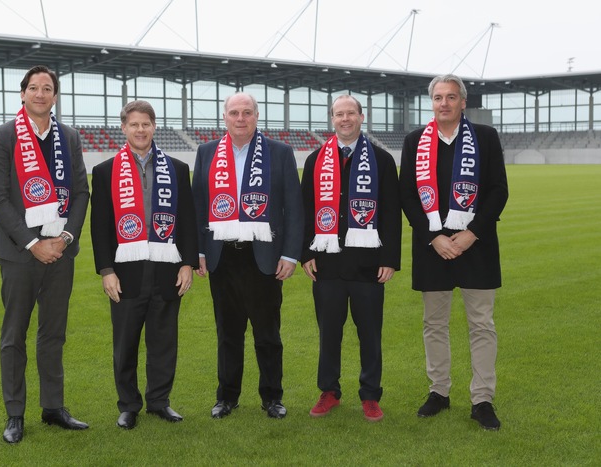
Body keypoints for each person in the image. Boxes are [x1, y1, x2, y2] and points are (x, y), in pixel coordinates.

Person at [0, 65, 90, 444]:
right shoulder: (3, 136)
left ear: (55, 96)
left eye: (48, 88)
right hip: (19, 254)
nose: (41, 94)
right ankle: (15, 414)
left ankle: (53, 407)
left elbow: (81, 193)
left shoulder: (70, 137)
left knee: (53, 334)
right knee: (14, 336)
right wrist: (33, 243)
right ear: (23, 94)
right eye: (34, 87)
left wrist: (63, 238)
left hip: (61, 251)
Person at [399, 74, 508, 431]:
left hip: (477, 246)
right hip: (433, 247)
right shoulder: (416, 140)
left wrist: (471, 233)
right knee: (434, 324)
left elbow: (497, 191)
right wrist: (435, 237)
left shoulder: (485, 137)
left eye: (450, 97)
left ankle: (483, 399)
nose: (443, 103)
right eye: (437, 98)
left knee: (481, 325)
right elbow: (408, 196)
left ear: (463, 102)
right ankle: (439, 392)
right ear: (431, 102)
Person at [192, 92, 304, 420]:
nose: (240, 119)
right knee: (228, 333)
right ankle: (227, 397)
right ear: (224, 117)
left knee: (267, 333)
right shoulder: (207, 152)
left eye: (247, 113)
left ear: (257, 116)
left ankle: (272, 397)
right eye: (234, 113)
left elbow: (294, 208)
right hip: (222, 256)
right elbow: (199, 203)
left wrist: (290, 255)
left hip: (264, 255)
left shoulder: (279, 153)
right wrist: (199, 250)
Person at [90, 100, 198, 430]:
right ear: (124, 128)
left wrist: (187, 264)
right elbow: (100, 226)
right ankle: (128, 405)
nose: (140, 130)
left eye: (146, 124)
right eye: (134, 124)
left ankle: (159, 401)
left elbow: (188, 221)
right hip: (126, 272)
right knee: (125, 343)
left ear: (154, 127)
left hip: (167, 269)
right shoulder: (105, 170)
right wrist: (106, 270)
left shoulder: (177, 169)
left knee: (163, 341)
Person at [300, 95, 401, 421]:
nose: (345, 119)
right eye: (339, 114)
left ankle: (370, 395)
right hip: (327, 264)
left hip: (368, 264)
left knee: (370, 333)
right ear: (333, 119)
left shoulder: (382, 160)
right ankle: (329, 391)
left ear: (361, 116)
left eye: (350, 113)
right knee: (329, 332)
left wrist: (390, 258)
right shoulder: (316, 160)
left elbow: (391, 214)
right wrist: (306, 254)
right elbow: (305, 211)